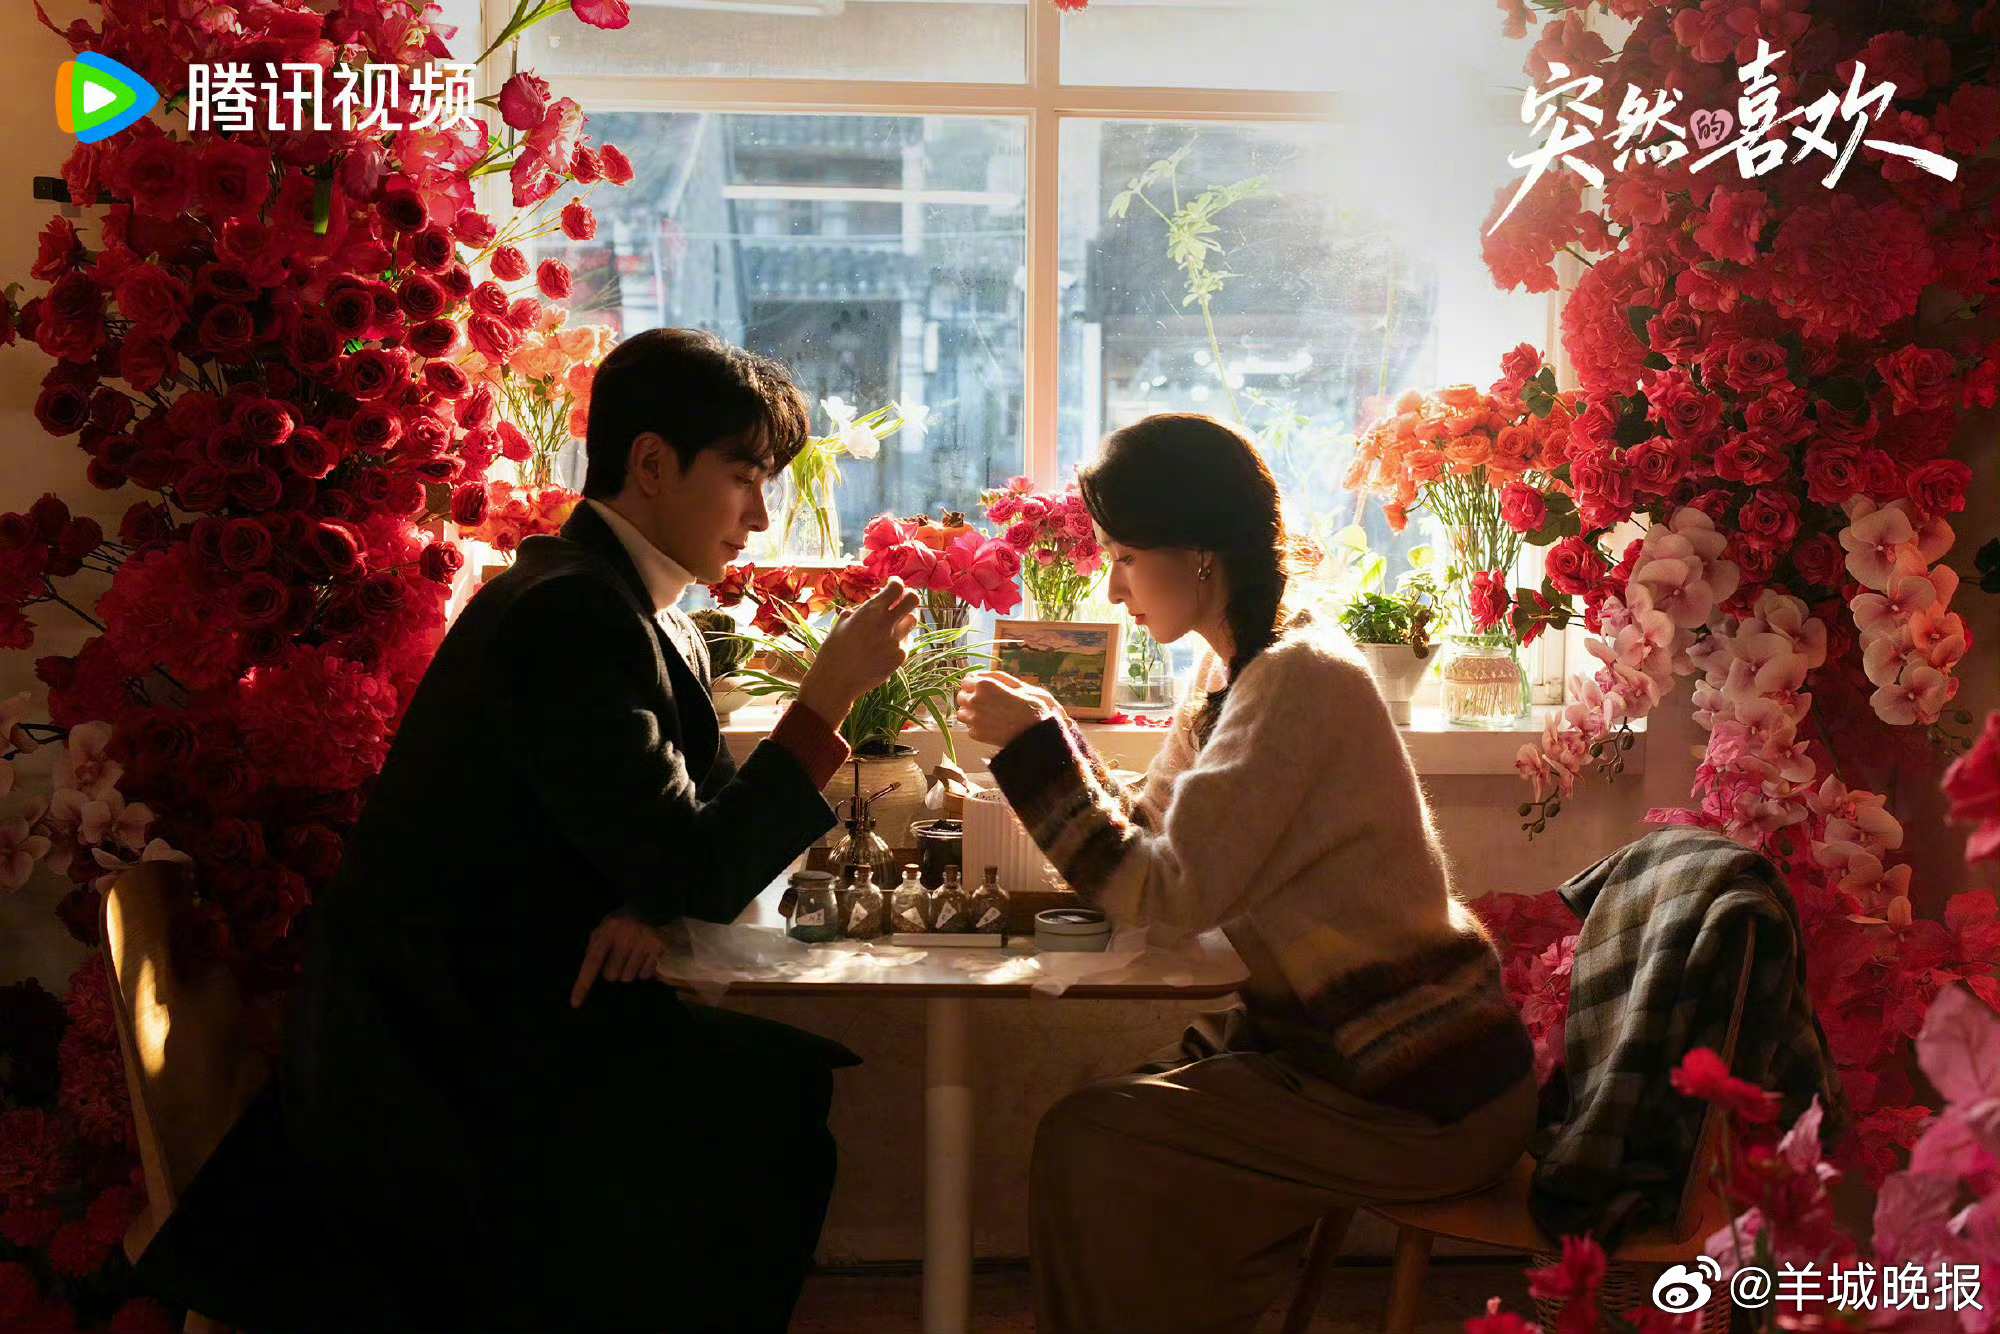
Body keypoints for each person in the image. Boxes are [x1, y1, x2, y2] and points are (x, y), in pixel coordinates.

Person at [137, 328, 921, 1333]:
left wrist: (648, 900)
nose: (761, 517)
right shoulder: (568, 616)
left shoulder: (639, 611)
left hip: (495, 1019)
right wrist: (822, 702)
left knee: (776, 1095)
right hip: (434, 1066)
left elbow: (693, 842)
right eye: (743, 477)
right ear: (651, 464)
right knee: (767, 1113)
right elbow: (699, 860)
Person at [956, 413, 1539, 1334]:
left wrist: (1037, 752)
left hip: (1418, 1094)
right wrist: (1050, 736)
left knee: (1089, 1140)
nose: (1112, 587)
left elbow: (1168, 896)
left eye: (1124, 557)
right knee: (1113, 1138)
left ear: (1197, 554)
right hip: (1340, 1059)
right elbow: (1153, 838)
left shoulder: (1299, 680)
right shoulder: (1235, 676)